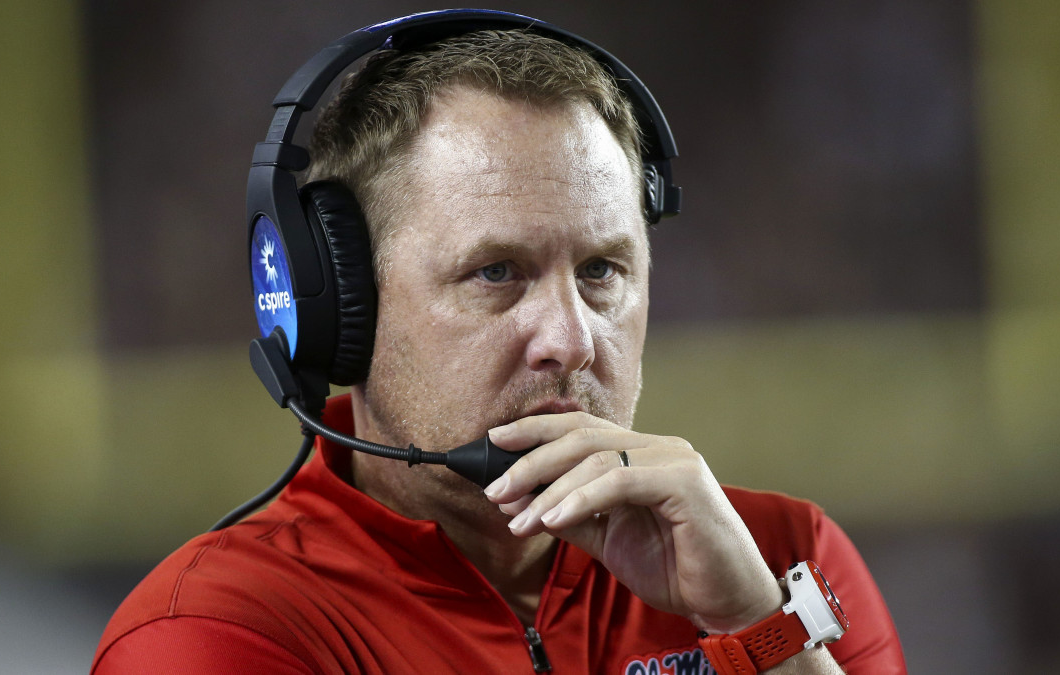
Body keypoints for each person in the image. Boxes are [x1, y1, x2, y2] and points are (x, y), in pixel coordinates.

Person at [93, 18, 906, 675]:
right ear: (343, 303)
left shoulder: (784, 561)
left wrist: (762, 633)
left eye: (601, 270)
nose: (571, 340)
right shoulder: (213, 633)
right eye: (496, 272)